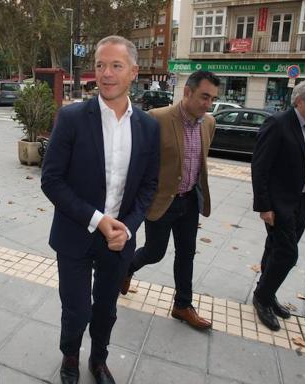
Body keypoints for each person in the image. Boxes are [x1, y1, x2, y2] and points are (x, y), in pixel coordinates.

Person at [41, 35, 160, 384]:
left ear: (133, 72)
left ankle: (99, 360)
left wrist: (128, 226)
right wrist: (98, 220)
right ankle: (70, 357)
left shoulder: (149, 127)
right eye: (100, 65)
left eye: (116, 66)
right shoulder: (72, 117)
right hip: (75, 232)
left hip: (119, 240)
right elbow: (51, 180)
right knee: (76, 310)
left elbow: (149, 185)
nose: (106, 73)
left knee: (106, 310)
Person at [121, 70, 219, 331]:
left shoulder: (209, 123)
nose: (208, 104)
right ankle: (127, 269)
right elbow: (140, 162)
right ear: (187, 92)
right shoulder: (157, 118)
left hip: (190, 202)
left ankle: (182, 305)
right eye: (204, 97)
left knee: (187, 254)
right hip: (162, 202)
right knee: (155, 252)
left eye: (212, 99)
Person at [251, 78, 305, 331]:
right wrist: (264, 206)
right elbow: (260, 167)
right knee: (287, 254)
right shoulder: (278, 123)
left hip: (302, 202)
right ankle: (262, 297)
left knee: (275, 249)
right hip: (280, 203)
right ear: (300, 100)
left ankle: (267, 291)